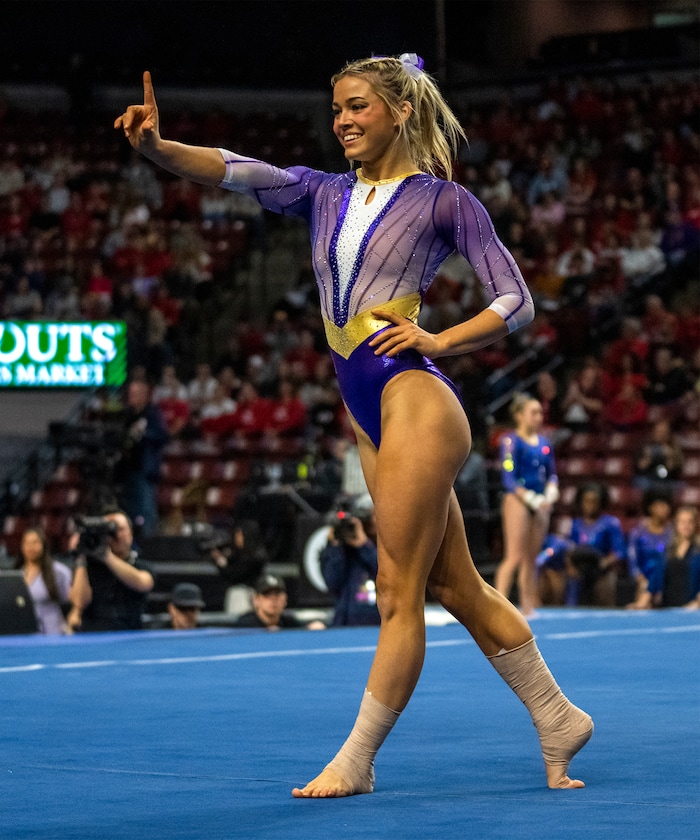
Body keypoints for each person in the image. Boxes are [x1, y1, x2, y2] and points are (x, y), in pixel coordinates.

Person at [115, 54, 592, 797]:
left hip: (415, 399)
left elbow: (516, 300)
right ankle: (558, 716)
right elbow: (235, 169)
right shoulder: (323, 191)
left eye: (358, 106)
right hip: (367, 409)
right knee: (455, 586)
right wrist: (156, 149)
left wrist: (440, 339)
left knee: (397, 591)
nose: (342, 120)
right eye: (336, 107)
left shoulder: (443, 201)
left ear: (400, 110)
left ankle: (358, 758)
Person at [494, 395, 560, 617]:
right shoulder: (510, 442)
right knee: (514, 556)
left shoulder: (545, 444)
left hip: (540, 501)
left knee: (531, 558)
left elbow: (551, 474)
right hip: (518, 499)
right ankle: (499, 605)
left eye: (540, 412)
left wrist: (551, 490)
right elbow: (508, 477)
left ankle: (528, 606)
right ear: (519, 416)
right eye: (533, 412)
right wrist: (528, 497)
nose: (539, 417)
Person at [68, 510, 155, 632]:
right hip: (94, 633)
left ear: (130, 533)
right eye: (111, 531)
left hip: (129, 633)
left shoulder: (141, 565)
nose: (116, 535)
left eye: (121, 529)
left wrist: (107, 556)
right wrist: (81, 558)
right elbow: (79, 601)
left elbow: (143, 583)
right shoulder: (90, 566)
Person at [116, 380, 170, 537]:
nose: (132, 397)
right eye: (130, 394)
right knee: (130, 508)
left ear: (144, 395)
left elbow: (162, 436)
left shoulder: (152, 414)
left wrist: (143, 434)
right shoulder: (127, 415)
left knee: (146, 506)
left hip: (144, 468)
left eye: (135, 394)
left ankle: (149, 540)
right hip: (127, 468)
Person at [563, 483, 627, 607]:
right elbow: (570, 548)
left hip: (601, 568)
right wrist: (570, 565)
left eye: (594, 501)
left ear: (601, 502)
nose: (590, 505)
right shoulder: (576, 524)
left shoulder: (610, 523)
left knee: (607, 582)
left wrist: (605, 562)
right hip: (580, 568)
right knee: (569, 578)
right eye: (586, 501)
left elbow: (620, 552)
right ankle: (570, 610)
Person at [320, 508, 381, 627]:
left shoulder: (379, 550)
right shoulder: (339, 553)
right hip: (344, 623)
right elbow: (332, 583)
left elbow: (384, 574)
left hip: (375, 623)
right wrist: (336, 545)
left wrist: (364, 545)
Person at [14, 526, 72, 635]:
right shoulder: (16, 574)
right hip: (25, 631)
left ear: (44, 545)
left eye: (35, 542)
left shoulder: (59, 571)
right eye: (27, 543)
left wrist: (70, 623)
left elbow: (74, 601)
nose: (31, 547)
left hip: (52, 632)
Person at [626, 489, 674, 610]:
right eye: (659, 505)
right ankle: (645, 597)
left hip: (666, 580)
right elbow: (633, 560)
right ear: (651, 507)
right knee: (647, 581)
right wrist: (639, 577)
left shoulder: (673, 533)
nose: (663, 509)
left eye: (666, 506)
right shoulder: (638, 532)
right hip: (642, 580)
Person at [233, 574, 325, 631]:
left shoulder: (288, 623)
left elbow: (301, 631)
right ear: (256, 600)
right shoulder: (245, 625)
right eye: (267, 595)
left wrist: (311, 629)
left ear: (285, 599)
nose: (273, 600)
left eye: (277, 594)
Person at [661, 505, 700, 609]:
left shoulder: (698, 549)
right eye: (682, 522)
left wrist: (698, 602)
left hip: (691, 608)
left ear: (696, 524)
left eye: (690, 522)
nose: (686, 526)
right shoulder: (668, 549)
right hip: (667, 607)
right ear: (676, 524)